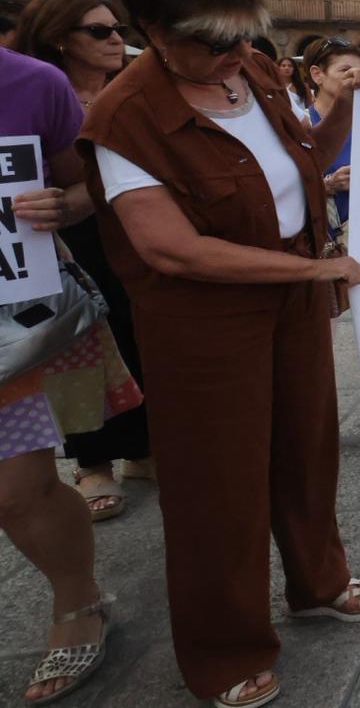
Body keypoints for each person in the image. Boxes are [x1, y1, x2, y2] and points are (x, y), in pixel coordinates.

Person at [79, 0, 360, 705]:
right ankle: (223, 650)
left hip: (290, 296)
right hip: (203, 321)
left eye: (244, 38)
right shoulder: (125, 117)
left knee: (308, 446)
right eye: (212, 43)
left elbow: (306, 156)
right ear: (150, 28)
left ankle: (319, 583)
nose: (234, 56)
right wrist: (315, 270)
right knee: (218, 483)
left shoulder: (248, 71)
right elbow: (170, 249)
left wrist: (344, 103)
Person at [2, 45, 141, 706]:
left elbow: (86, 186)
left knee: (16, 489)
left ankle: (76, 598)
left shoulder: (31, 84)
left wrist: (66, 205)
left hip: (19, 329)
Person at [13, 0, 154, 522]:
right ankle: (92, 460)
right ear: (59, 39)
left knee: (136, 337)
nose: (117, 38)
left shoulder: (132, 94)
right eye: (99, 31)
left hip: (136, 233)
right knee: (78, 344)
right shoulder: (42, 93)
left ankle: (142, 449)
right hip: (70, 245)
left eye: (117, 28)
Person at [304, 36, 360, 249]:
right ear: (317, 75)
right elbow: (278, 189)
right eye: (345, 71)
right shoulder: (301, 125)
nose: (356, 78)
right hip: (329, 244)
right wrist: (329, 184)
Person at [274, 55, 310, 120]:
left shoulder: (302, 86)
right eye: (283, 65)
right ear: (278, 68)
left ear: (294, 69)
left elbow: (310, 106)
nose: (287, 68)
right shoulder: (275, 87)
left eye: (290, 66)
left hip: (303, 121)